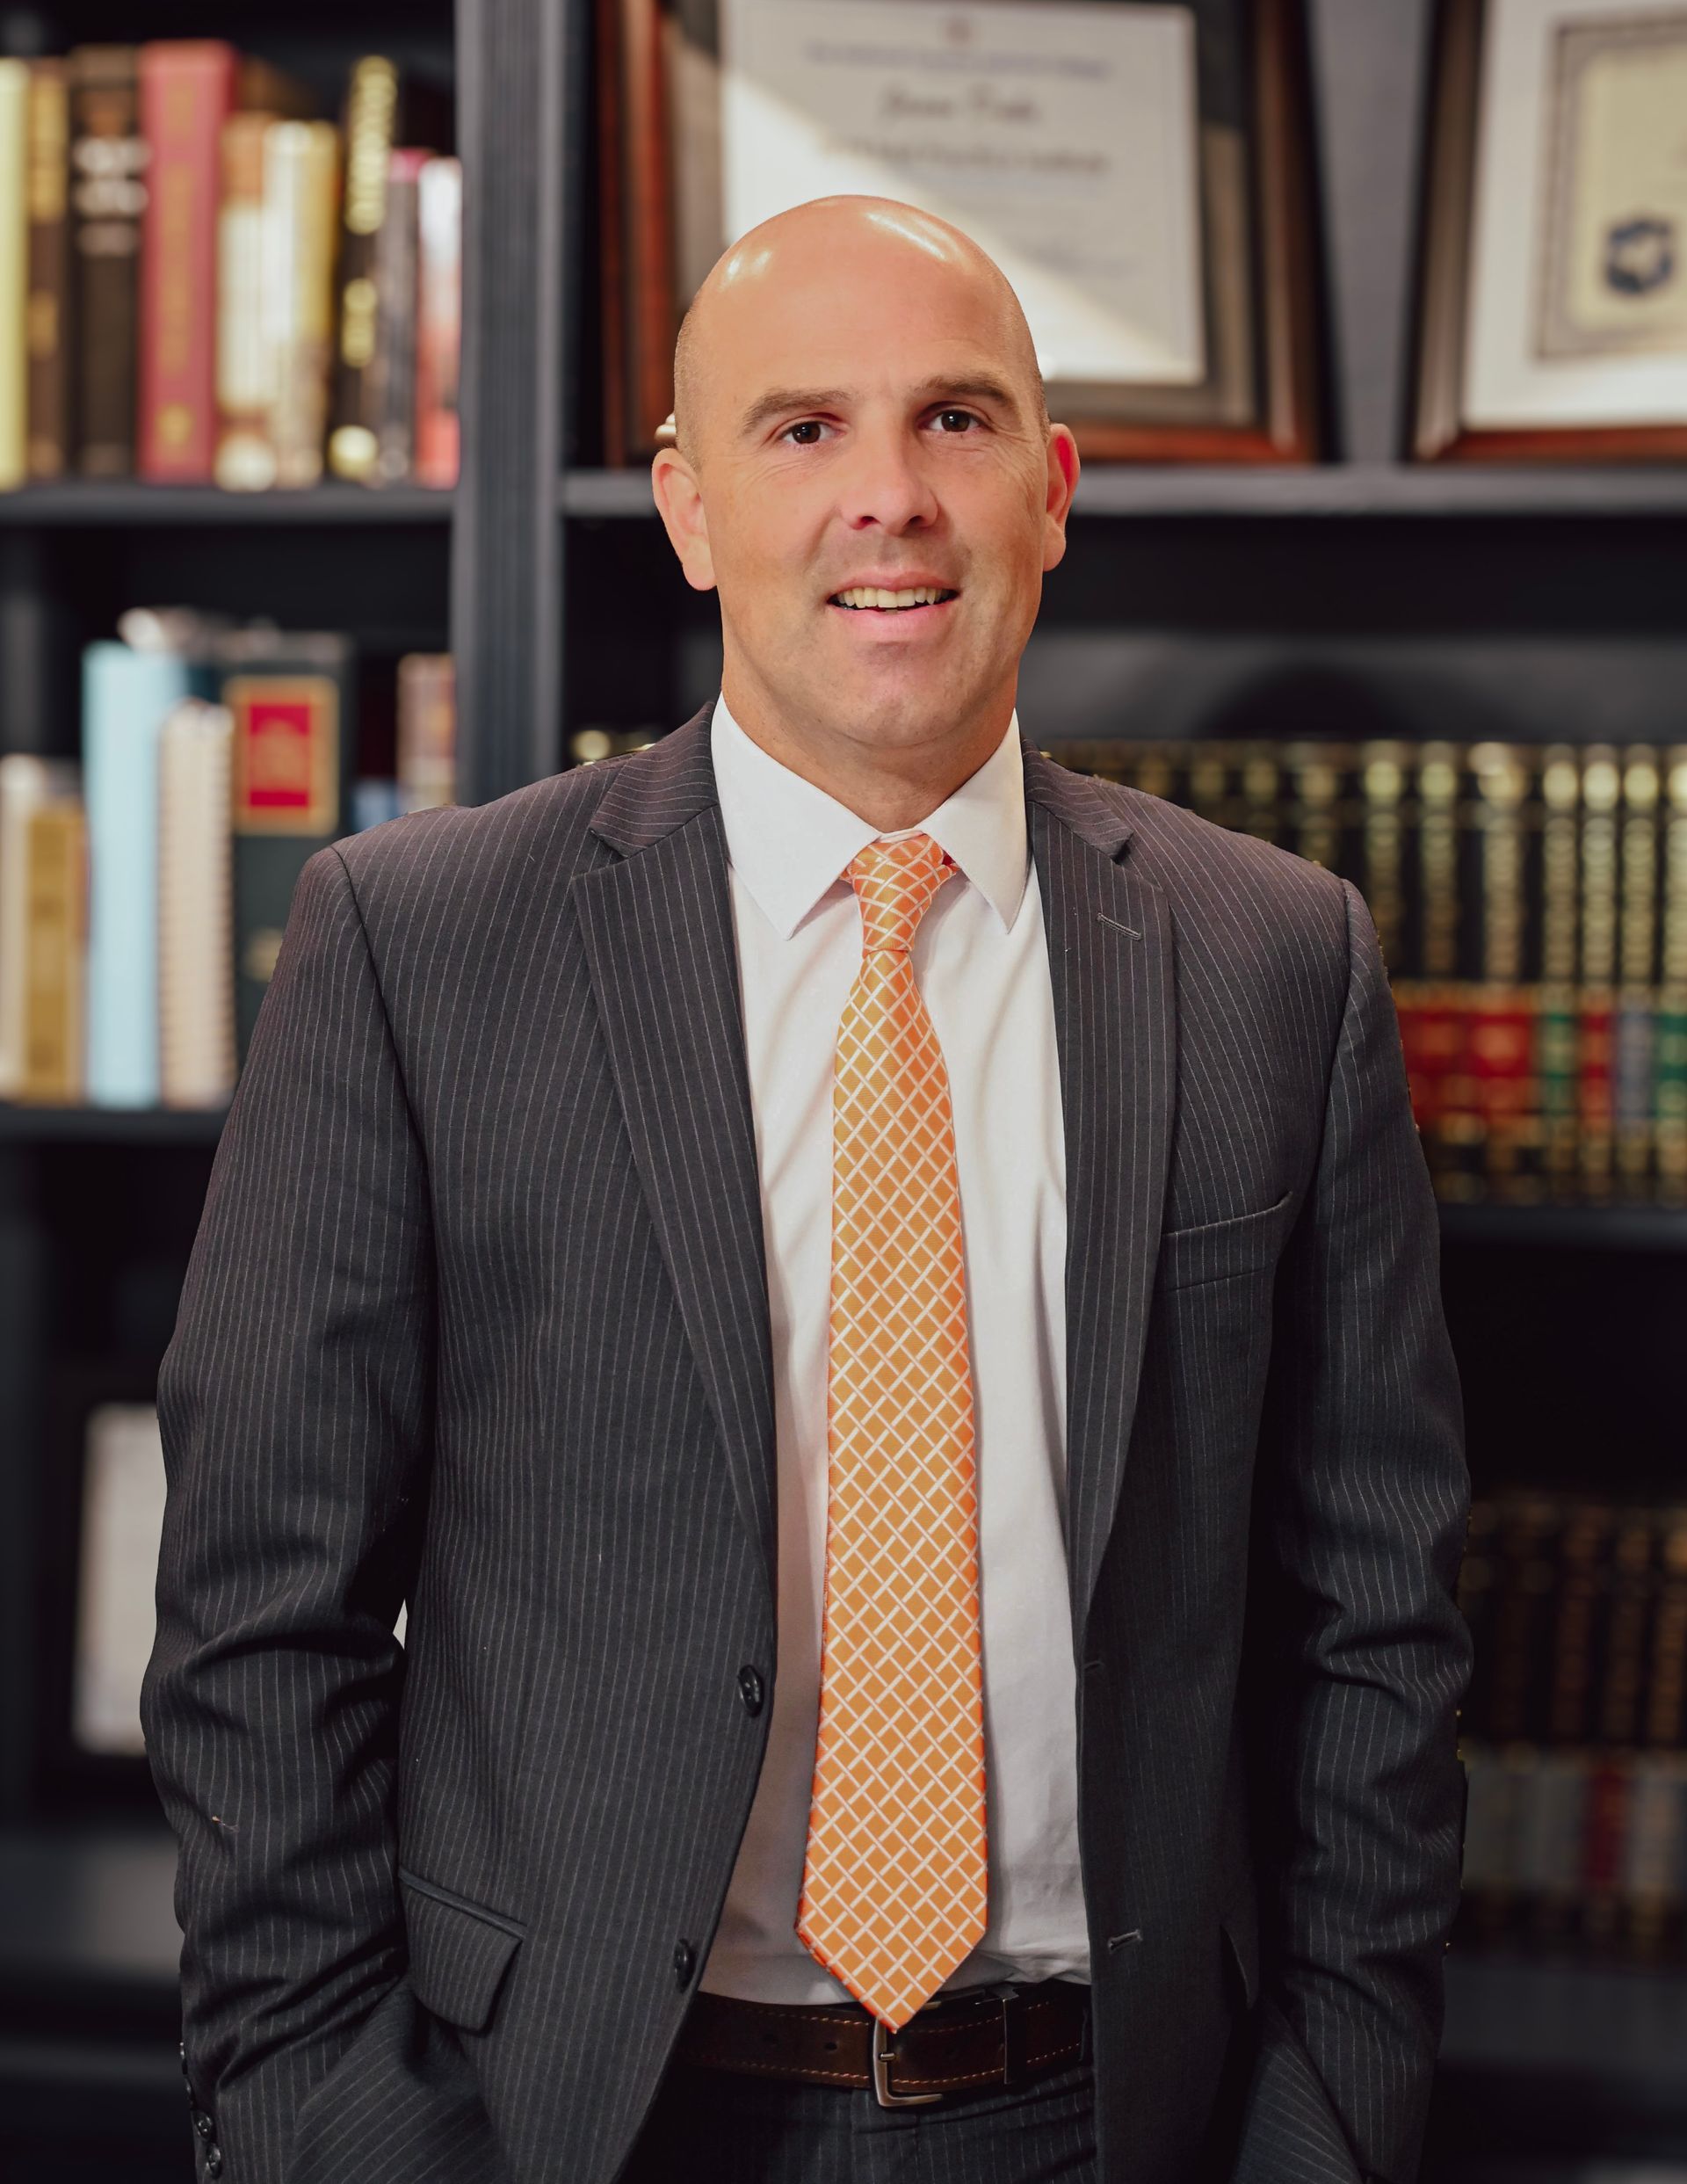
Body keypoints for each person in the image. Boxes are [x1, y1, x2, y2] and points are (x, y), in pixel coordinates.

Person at [144, 196, 1471, 2184]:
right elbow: (260, 1619)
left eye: (956, 420)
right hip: (572, 2117)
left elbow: (1385, 1612)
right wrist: (336, 2117)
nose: (890, 499)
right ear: (686, 510)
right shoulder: (419, 946)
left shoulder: (1277, 957)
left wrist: (1331, 2122)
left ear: (1053, 489)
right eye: (800, 432)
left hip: (1122, 2115)